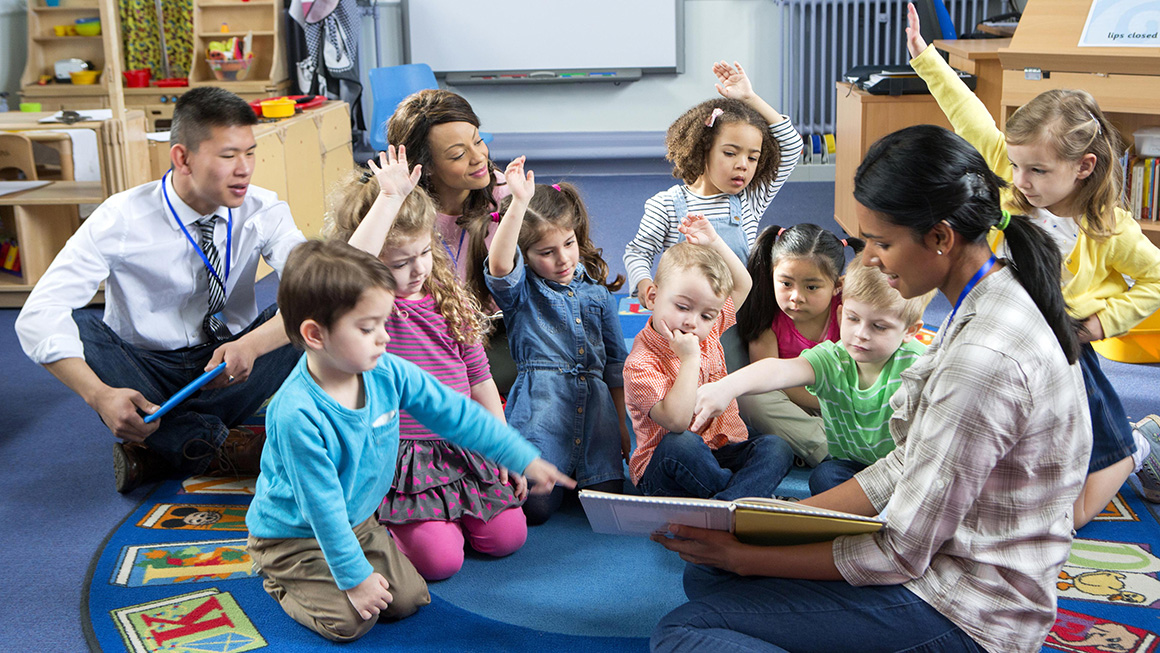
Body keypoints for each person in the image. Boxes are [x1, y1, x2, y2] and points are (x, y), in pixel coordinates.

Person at [651, 124, 1091, 653]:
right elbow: (908, 463)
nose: (870, 261)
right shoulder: (993, 291)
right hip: (946, 571)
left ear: (941, 237)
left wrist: (749, 555)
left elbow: (900, 553)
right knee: (711, 576)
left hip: (966, 611)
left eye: (882, 242)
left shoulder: (982, 362)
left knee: (685, 630)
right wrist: (779, 522)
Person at [905, 2, 1160, 526]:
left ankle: (1141, 443)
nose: (1020, 180)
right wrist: (926, 59)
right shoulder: (1012, 174)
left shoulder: (1109, 227)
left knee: (1073, 515)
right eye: (1016, 165)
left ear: (1084, 167)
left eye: (1038, 170)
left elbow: (1156, 279)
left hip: (1066, 351)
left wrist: (1096, 325)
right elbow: (969, 116)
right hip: (1002, 334)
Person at [245, 239, 573, 643]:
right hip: (294, 535)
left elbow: (455, 414)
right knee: (351, 621)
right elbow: (322, 509)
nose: (384, 337)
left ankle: (346, 569)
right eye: (367, 328)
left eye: (384, 323)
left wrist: (519, 455)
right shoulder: (296, 413)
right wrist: (354, 578)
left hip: (358, 520)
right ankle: (278, 577)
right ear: (315, 334)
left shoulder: (386, 370)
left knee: (407, 600)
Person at [14, 87, 305, 493]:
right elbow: (38, 314)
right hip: (144, 376)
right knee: (80, 325)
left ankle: (163, 447)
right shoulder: (121, 217)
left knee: (311, 313)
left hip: (228, 369)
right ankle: (215, 444)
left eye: (250, 152)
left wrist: (254, 345)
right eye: (228, 155)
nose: (245, 169)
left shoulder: (264, 209)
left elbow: (320, 287)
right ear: (182, 158)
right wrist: (98, 395)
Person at [323, 146, 528, 580]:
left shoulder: (446, 299)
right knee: (440, 562)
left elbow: (480, 379)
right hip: (401, 459)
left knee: (508, 537)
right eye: (399, 262)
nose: (417, 269)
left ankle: (443, 517)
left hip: (461, 446)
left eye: (423, 254)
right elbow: (350, 265)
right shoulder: (365, 311)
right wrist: (388, 200)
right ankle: (388, 521)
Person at [693, 253, 934, 495]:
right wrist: (726, 387)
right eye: (853, 318)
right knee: (825, 477)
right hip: (855, 463)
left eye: (878, 326)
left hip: (905, 467)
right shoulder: (833, 357)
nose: (861, 333)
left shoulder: (918, 364)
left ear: (909, 331)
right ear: (841, 315)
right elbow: (778, 369)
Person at [484, 158, 631, 524]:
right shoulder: (522, 293)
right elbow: (500, 267)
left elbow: (615, 367)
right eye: (546, 253)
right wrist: (517, 204)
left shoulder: (596, 295)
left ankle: (583, 476)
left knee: (607, 506)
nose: (563, 259)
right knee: (534, 509)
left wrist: (624, 431)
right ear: (527, 256)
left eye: (568, 243)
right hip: (541, 415)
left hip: (596, 423)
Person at [625, 216, 794, 501]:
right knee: (682, 445)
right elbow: (677, 422)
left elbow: (744, 284)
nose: (693, 322)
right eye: (682, 307)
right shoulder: (640, 363)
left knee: (777, 447)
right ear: (653, 297)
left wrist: (714, 241)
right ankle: (744, 497)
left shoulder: (709, 327)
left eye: (706, 314)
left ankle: (727, 502)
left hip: (719, 450)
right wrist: (689, 360)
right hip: (665, 467)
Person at [623, 60, 803, 309]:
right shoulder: (666, 205)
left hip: (741, 318)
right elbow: (638, 252)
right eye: (730, 153)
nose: (743, 165)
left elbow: (793, 145)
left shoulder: (750, 199)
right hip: (687, 320)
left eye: (752, 157)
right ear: (703, 149)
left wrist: (749, 98)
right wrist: (643, 282)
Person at [735, 223, 864, 467]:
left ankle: (817, 445)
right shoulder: (766, 320)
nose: (796, 296)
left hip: (850, 404)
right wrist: (826, 404)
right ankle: (830, 449)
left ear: (837, 285)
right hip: (796, 408)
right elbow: (767, 379)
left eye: (812, 287)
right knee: (751, 398)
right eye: (786, 284)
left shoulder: (847, 310)